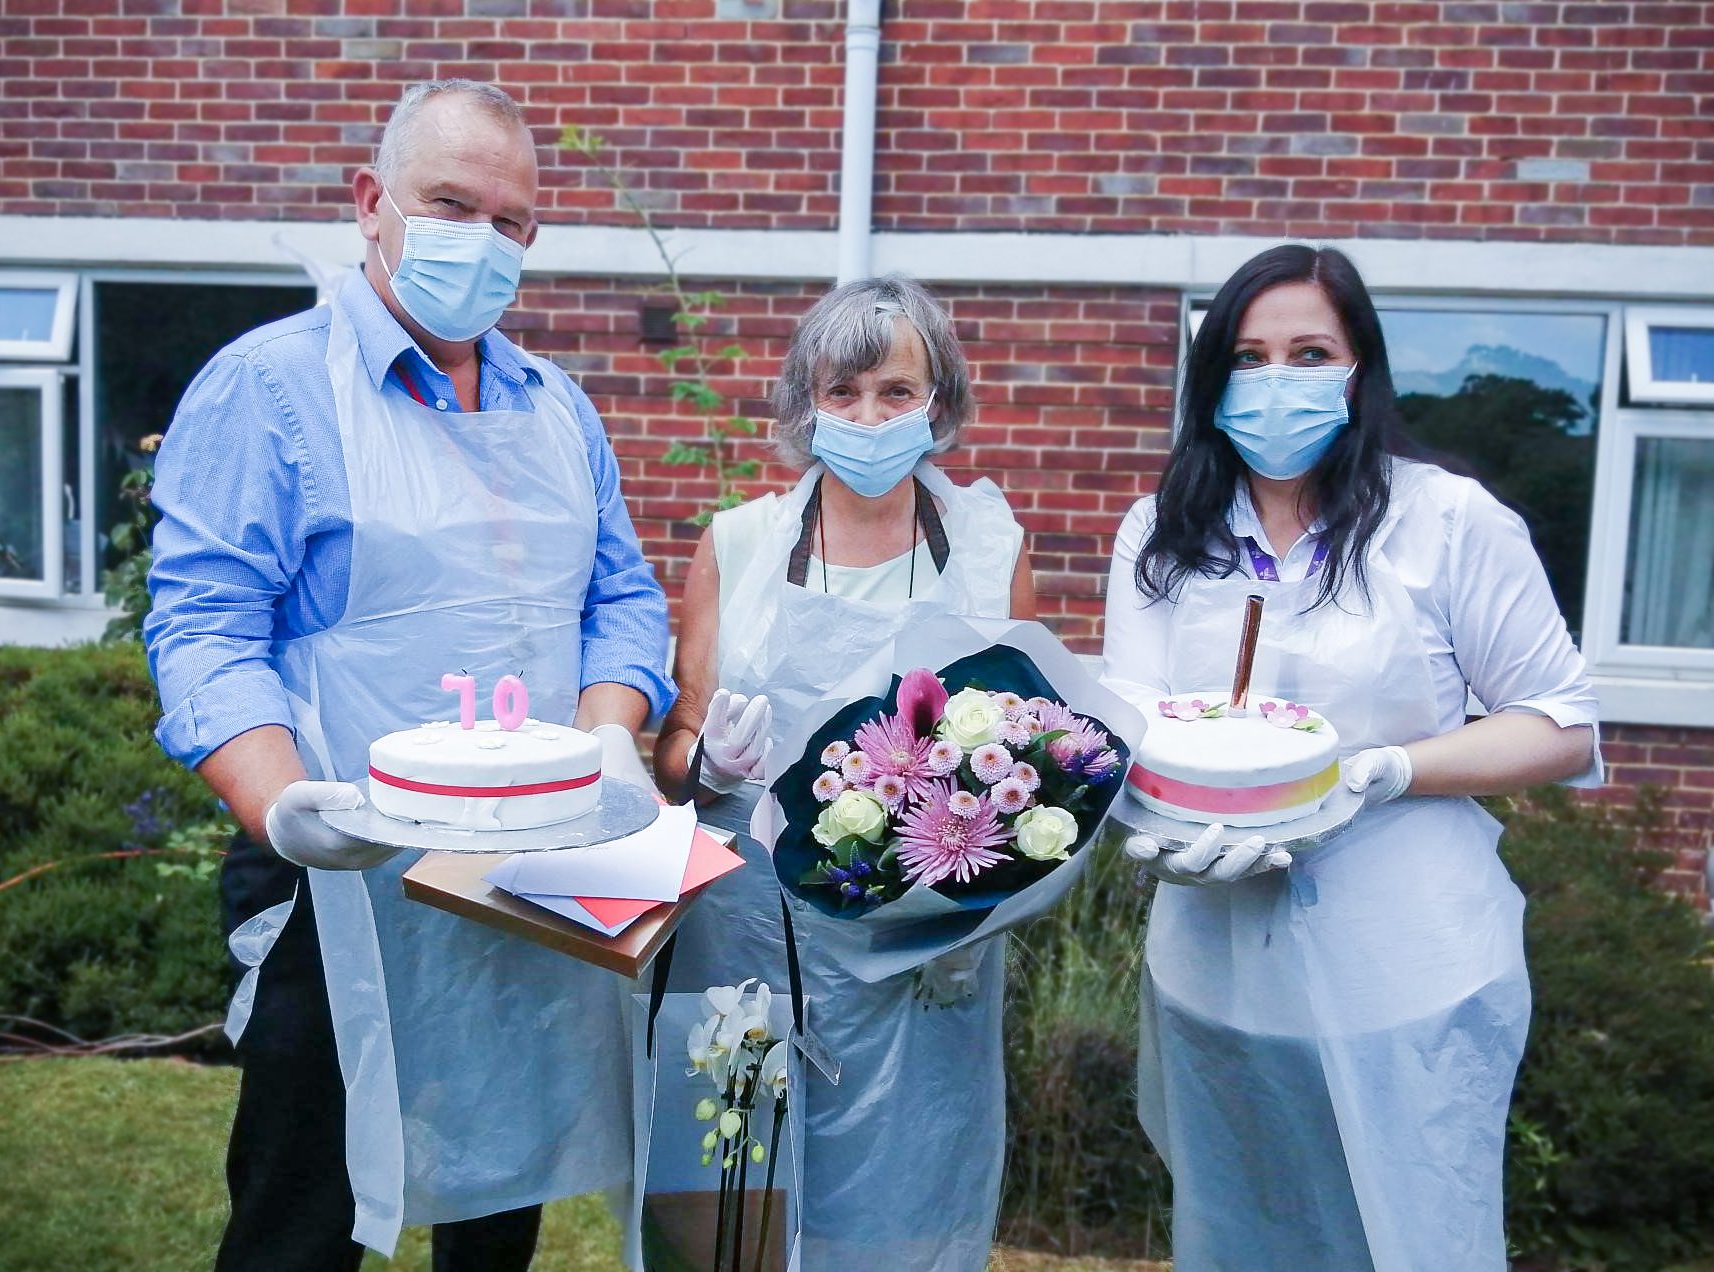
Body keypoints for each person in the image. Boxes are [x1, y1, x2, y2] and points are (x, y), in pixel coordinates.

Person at [144, 79, 674, 1271]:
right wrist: (282, 806)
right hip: (339, 867)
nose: (482, 242)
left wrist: (605, 737)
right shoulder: (270, 390)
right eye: (450, 202)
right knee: (302, 1210)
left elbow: (620, 598)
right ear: (372, 203)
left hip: (535, 856)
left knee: (497, 1184)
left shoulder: (557, 408)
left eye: (513, 222)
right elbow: (207, 626)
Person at [1102, 244, 1600, 1270]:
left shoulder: (1447, 522)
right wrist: (1145, 822)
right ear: (1212, 379)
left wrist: (1391, 770)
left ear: (1360, 367)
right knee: (1239, 1242)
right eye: (1247, 357)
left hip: (1408, 975)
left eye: (1307, 352)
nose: (1274, 381)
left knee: (1414, 1242)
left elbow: (1560, 723)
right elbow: (1135, 723)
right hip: (1215, 971)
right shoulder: (1161, 533)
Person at [652, 275, 1037, 1271]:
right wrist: (707, 761)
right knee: (728, 1208)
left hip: (918, 962)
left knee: (900, 1209)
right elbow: (675, 749)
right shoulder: (738, 544)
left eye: (897, 393)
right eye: (842, 391)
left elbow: (1028, 751)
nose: (869, 416)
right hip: (741, 942)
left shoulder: (990, 551)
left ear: (939, 404)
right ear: (803, 405)